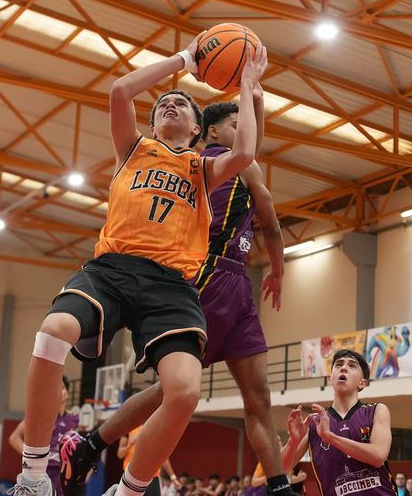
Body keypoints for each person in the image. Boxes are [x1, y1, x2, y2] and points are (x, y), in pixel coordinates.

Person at [10, 36, 266, 496]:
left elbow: (245, 152)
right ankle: (32, 477)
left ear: (197, 129)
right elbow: (120, 91)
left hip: (171, 284)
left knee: (185, 392)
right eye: (163, 103)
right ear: (151, 123)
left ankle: (128, 491)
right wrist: (184, 60)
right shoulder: (132, 149)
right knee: (52, 333)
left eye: (181, 103)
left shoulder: (202, 169)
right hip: (111, 270)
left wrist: (247, 87)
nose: (170, 104)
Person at [61, 96, 290, 496]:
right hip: (207, 276)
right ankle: (93, 444)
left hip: (239, 286)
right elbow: (266, 210)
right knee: (175, 390)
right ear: (211, 132)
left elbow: (261, 186)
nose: (245, 131)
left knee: (260, 398)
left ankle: (279, 488)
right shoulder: (206, 165)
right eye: (235, 125)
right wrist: (279, 268)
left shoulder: (234, 165)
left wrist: (254, 95)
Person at [281, 349, 394, 496]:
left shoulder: (377, 411)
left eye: (352, 366)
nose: (344, 368)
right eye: (339, 364)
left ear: (362, 383)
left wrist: (330, 437)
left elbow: (378, 456)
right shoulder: (315, 423)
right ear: (330, 379)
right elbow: (279, 470)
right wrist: (293, 442)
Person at [9, 377, 79, 496]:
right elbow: (14, 438)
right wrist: (34, 457)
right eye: (56, 388)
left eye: (62, 388)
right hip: (42, 471)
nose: (59, 391)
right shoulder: (40, 414)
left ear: (67, 393)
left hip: (63, 473)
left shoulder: (75, 419)